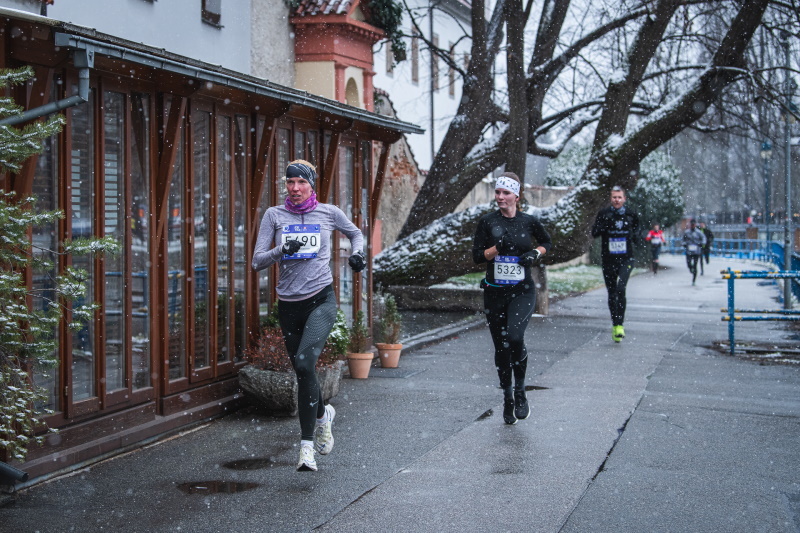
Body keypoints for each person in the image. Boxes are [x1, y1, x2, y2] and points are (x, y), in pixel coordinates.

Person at [252, 160, 365, 472]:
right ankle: (323, 416)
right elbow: (256, 261)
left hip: (322, 300)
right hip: (288, 305)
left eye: (301, 182)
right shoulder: (274, 215)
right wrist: (282, 251)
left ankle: (306, 449)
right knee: (304, 374)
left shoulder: (328, 213)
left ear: (312, 185)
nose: (295, 188)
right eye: (290, 182)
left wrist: (357, 254)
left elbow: (356, 234)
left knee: (304, 363)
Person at [472, 172, 552, 425]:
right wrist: (497, 248)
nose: (500, 197)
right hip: (495, 291)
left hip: (522, 291)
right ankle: (507, 396)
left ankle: (520, 390)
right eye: (497, 192)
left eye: (505, 193)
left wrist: (534, 254)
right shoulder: (487, 222)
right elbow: (476, 256)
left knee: (515, 337)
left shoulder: (529, 221)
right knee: (500, 347)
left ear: (517, 196)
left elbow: (547, 242)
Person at [591, 186, 640, 343]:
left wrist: (634, 235)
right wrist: (606, 225)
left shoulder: (631, 214)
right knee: (612, 293)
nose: (617, 200)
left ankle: (620, 324)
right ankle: (615, 325)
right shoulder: (604, 214)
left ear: (624, 198)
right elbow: (595, 232)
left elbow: (638, 233)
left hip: (626, 259)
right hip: (609, 259)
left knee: (621, 289)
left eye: (619, 197)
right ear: (610, 199)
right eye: (614, 197)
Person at [682, 219, 706, 285]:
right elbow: (683, 239)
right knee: (689, 263)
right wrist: (684, 244)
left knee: (695, 265)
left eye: (693, 224)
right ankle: (691, 269)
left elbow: (704, 238)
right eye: (691, 224)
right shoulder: (687, 232)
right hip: (689, 250)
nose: (692, 225)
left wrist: (701, 243)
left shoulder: (699, 232)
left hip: (696, 251)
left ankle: (694, 280)